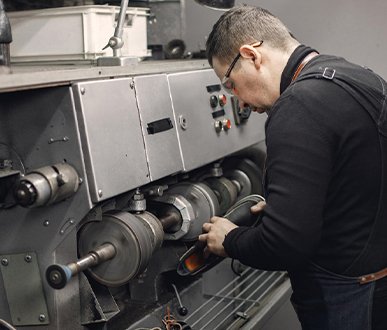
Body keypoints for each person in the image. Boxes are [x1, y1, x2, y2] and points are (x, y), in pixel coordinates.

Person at [198, 5, 387, 330]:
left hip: (348, 295)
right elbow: (361, 174)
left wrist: (229, 239)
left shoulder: (297, 109)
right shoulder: (354, 75)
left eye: (230, 84)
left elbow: (284, 244)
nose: (239, 102)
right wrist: (298, 202)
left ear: (251, 55)